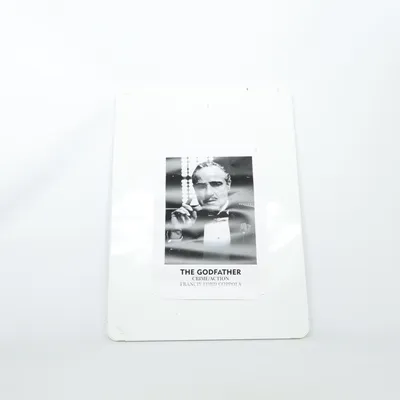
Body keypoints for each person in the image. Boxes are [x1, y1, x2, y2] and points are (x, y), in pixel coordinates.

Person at [165, 161, 257, 264]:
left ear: (228, 185)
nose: (209, 193)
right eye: (201, 186)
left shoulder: (251, 215)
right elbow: (174, 265)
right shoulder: (185, 220)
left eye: (216, 184)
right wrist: (176, 233)